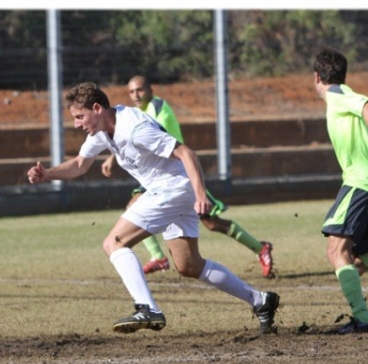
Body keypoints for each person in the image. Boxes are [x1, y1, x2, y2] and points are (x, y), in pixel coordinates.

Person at [27, 82, 280, 334]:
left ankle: (147, 308)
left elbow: (187, 153)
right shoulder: (102, 131)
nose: (76, 124)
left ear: (97, 109)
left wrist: (201, 194)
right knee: (189, 265)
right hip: (173, 191)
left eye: (79, 116)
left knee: (114, 243)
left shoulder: (134, 129)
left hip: (172, 189)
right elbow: (80, 164)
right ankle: (260, 300)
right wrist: (47, 174)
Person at [101, 75, 275, 278]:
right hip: (159, 175)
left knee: (212, 223)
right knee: (134, 205)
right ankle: (158, 256)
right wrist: (113, 157)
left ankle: (260, 248)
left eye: (140, 90)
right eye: (131, 92)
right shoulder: (137, 113)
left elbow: (150, 137)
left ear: (150, 90)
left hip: (179, 173)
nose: (136, 95)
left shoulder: (157, 107)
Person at [313, 47, 368, 334]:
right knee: (354, 262)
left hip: (361, 183)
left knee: (335, 251)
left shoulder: (337, 95)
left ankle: (363, 320)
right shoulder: (341, 95)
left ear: (316, 77)